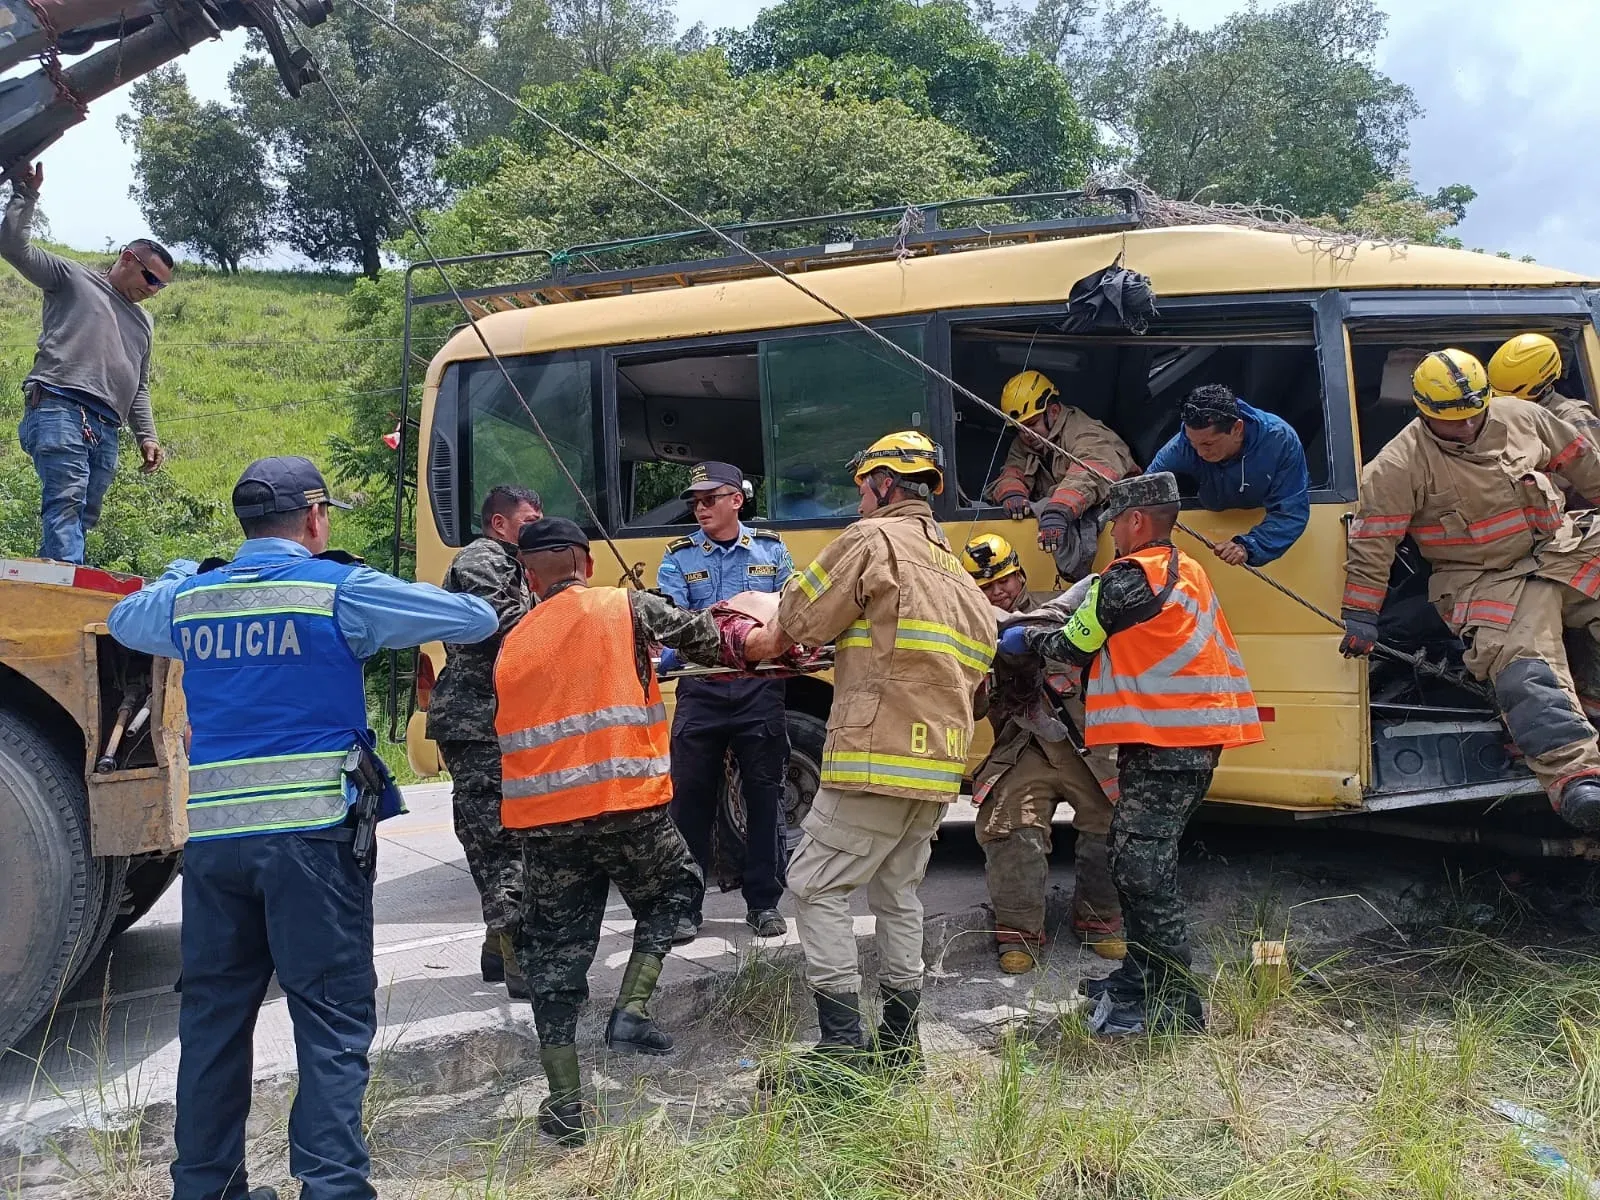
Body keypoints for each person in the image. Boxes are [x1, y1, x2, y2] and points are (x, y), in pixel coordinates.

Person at [106, 456, 498, 1200]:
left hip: (215, 848)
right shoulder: (338, 591)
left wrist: (183, 571)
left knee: (213, 1023)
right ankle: (332, 1187)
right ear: (315, 518)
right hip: (313, 840)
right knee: (330, 1020)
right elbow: (473, 620)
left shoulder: (191, 599)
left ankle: (206, 1188)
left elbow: (126, 619)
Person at [497, 516, 775, 1145]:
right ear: (586, 562)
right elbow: (710, 639)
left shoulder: (514, 639)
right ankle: (630, 1010)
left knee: (554, 958)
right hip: (627, 805)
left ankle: (565, 1105)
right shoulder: (622, 605)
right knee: (674, 893)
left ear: (528, 576)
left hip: (545, 824)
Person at [742, 430, 997, 1081]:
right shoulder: (966, 584)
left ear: (884, 485)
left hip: (875, 756)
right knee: (897, 895)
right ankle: (900, 1047)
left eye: (862, 488)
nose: (859, 502)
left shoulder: (872, 540)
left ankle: (841, 1054)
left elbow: (797, 618)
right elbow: (972, 686)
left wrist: (753, 639)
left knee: (814, 884)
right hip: (937, 770)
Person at [1006, 471, 1263, 1036]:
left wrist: (1025, 637)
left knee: (1144, 871)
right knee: (1133, 861)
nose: (1111, 535)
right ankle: (1139, 977)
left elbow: (1073, 643)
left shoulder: (1129, 576)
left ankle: (1174, 1002)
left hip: (1171, 744)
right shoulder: (1187, 569)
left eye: (1114, 524)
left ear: (1137, 520)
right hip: (1178, 740)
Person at [1339, 348, 1600, 834]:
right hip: (1482, 579)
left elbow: (1585, 463)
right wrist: (1361, 614)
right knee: (1525, 666)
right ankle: (1576, 779)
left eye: (1474, 414)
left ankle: (1593, 704)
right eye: (1452, 420)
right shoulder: (1397, 466)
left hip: (1559, 548)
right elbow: (1373, 543)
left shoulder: (1523, 416)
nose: (1465, 427)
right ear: (1423, 411)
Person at [961, 533, 1123, 972]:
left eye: (1005, 580)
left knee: (1111, 825)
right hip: (1021, 749)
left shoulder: (1062, 611)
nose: (999, 592)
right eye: (986, 586)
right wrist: (983, 663)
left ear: (1020, 574)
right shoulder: (973, 632)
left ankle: (1099, 921)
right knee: (1011, 830)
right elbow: (973, 710)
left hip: (1084, 745)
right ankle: (1018, 933)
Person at [4, 162, 170, 565]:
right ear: (128, 258)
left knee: (81, 517)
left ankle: (50, 587)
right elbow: (13, 247)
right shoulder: (73, 277)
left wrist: (147, 436)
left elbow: (139, 386)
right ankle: (70, 583)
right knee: (66, 501)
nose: (154, 291)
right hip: (60, 405)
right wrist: (25, 195)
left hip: (107, 426)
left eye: (161, 286)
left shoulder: (144, 322)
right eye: (151, 279)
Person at [656, 461, 795, 941]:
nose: (700, 508)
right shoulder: (678, 557)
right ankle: (684, 907)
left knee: (765, 797)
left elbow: (789, 610)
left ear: (737, 499)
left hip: (760, 689)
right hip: (702, 691)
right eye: (695, 501)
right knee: (689, 800)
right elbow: (672, 619)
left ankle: (764, 903)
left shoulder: (772, 551)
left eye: (709, 499)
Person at [427, 484, 543, 999]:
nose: (538, 528)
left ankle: (499, 949)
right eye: (529, 521)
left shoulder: (514, 564)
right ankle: (520, 958)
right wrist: (576, 617)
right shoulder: (481, 560)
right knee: (499, 839)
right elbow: (506, 625)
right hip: (475, 723)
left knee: (512, 832)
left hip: (500, 719)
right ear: (499, 524)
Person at [984, 369, 1136, 581]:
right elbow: (1012, 470)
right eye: (1019, 428)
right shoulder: (1027, 441)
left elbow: (1091, 472)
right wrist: (1012, 493)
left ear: (1054, 411)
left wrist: (1058, 510)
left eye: (1032, 424)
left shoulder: (1087, 433)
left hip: (1126, 529)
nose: (1026, 434)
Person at [1145, 384, 1310, 567]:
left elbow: (1291, 513)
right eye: (1193, 443)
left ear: (1237, 429)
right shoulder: (1181, 446)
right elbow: (1143, 488)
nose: (1200, 453)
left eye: (1208, 444)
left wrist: (1250, 547)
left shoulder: (1280, 441)